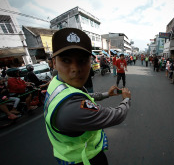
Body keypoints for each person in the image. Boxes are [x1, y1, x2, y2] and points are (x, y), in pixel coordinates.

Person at [44, 28, 131, 165]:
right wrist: (126, 99)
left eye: (82, 60)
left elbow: (83, 97)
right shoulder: (73, 110)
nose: (75, 68)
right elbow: (116, 115)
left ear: (90, 62)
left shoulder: (57, 82)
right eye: (66, 60)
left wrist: (106, 94)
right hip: (86, 159)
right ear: (54, 62)